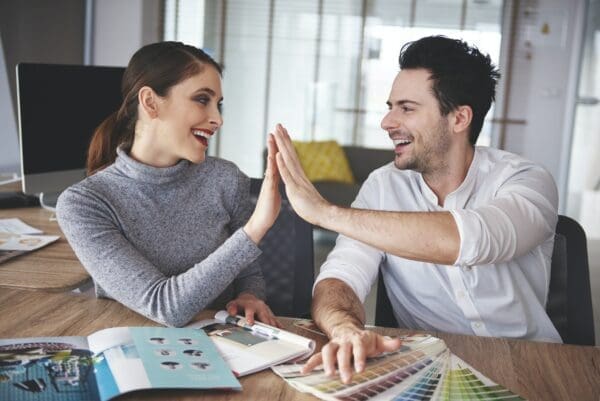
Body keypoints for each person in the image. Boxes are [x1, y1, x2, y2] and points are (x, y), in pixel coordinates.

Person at [271, 35, 561, 383]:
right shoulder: (382, 186)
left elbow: (472, 239)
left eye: (406, 108)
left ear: (459, 119)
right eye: (390, 106)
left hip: (532, 365)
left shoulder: (526, 180)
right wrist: (346, 330)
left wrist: (325, 213)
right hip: (431, 369)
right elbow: (340, 278)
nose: (387, 122)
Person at [56, 41, 282, 328]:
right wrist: (255, 229)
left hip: (221, 345)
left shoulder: (225, 179)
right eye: (202, 99)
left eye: (218, 104)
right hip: (134, 351)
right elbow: (164, 306)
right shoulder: (85, 204)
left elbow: (247, 271)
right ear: (150, 102)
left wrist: (250, 295)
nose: (217, 119)